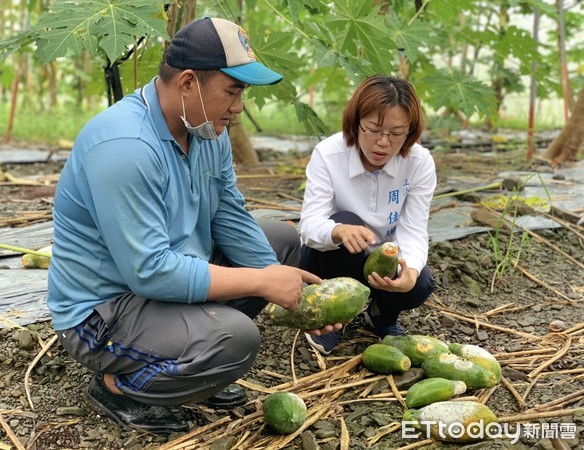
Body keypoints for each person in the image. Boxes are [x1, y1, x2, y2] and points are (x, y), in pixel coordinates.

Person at [47, 17, 339, 434]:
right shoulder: (126, 147)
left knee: (281, 243)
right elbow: (149, 271)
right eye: (232, 91)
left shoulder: (205, 129)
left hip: (167, 275)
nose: (239, 107)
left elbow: (229, 213)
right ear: (187, 83)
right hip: (104, 310)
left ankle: (189, 361)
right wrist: (262, 284)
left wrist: (295, 291)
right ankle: (119, 386)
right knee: (236, 340)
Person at [299, 75, 437, 355]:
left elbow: (413, 229)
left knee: (421, 283)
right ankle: (330, 318)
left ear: (410, 132)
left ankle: (381, 315)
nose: (383, 143)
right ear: (356, 122)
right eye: (373, 129)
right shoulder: (328, 154)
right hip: (330, 259)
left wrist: (409, 271)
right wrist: (338, 232)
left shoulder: (419, 162)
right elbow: (310, 224)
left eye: (396, 134)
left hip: (379, 263)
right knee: (345, 221)